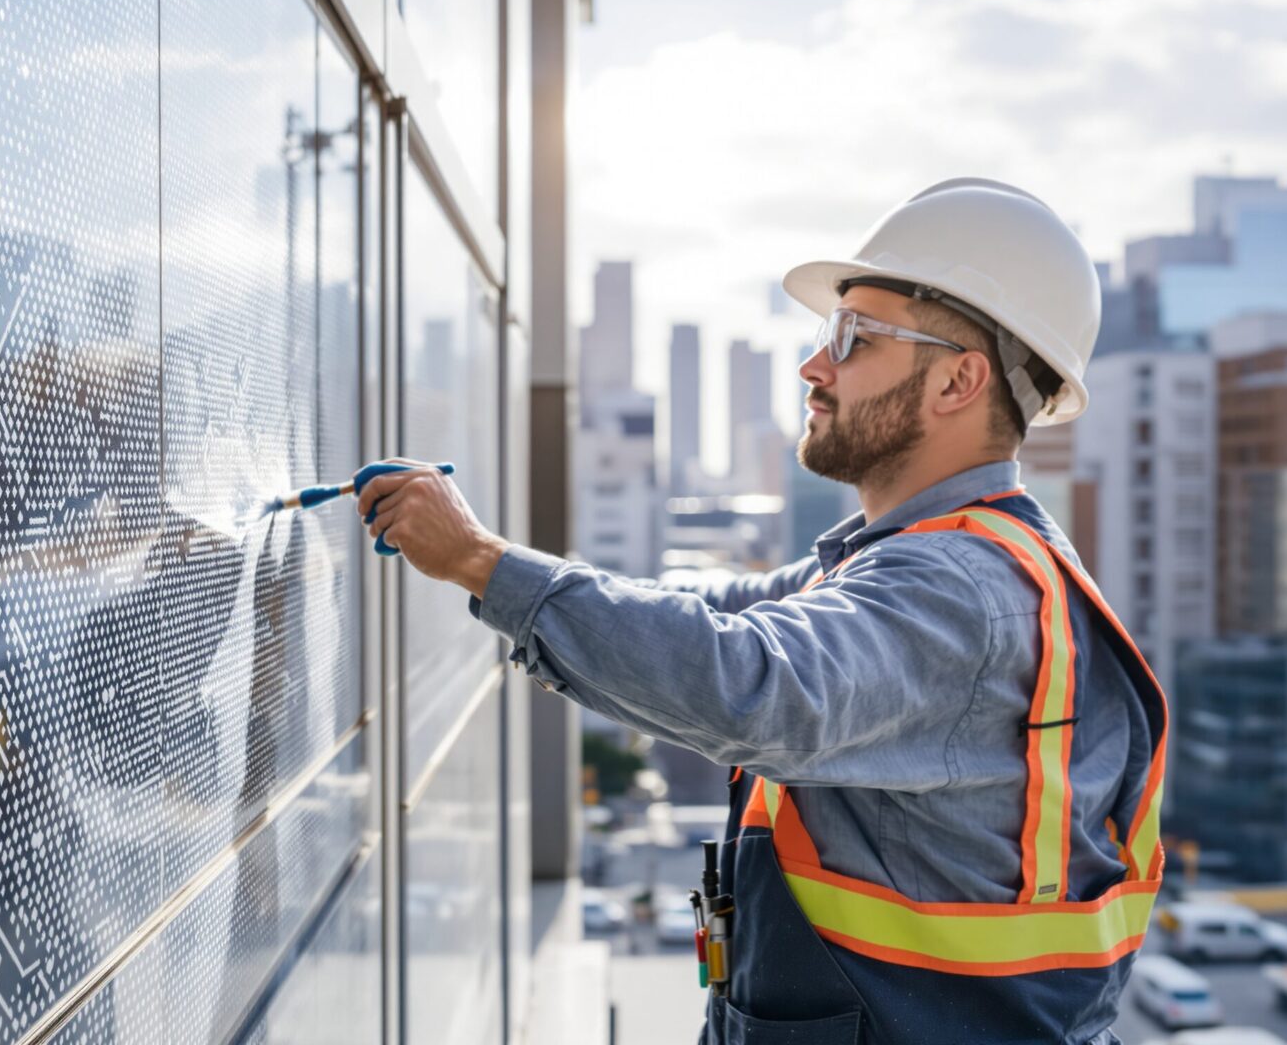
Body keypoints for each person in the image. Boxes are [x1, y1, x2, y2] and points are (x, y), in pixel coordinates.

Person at [356, 178, 1167, 1045]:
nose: (815, 367)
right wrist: (495, 561)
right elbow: (711, 613)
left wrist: (481, 562)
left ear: (959, 381)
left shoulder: (960, 589)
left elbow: (748, 684)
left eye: (854, 338)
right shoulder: (916, 560)